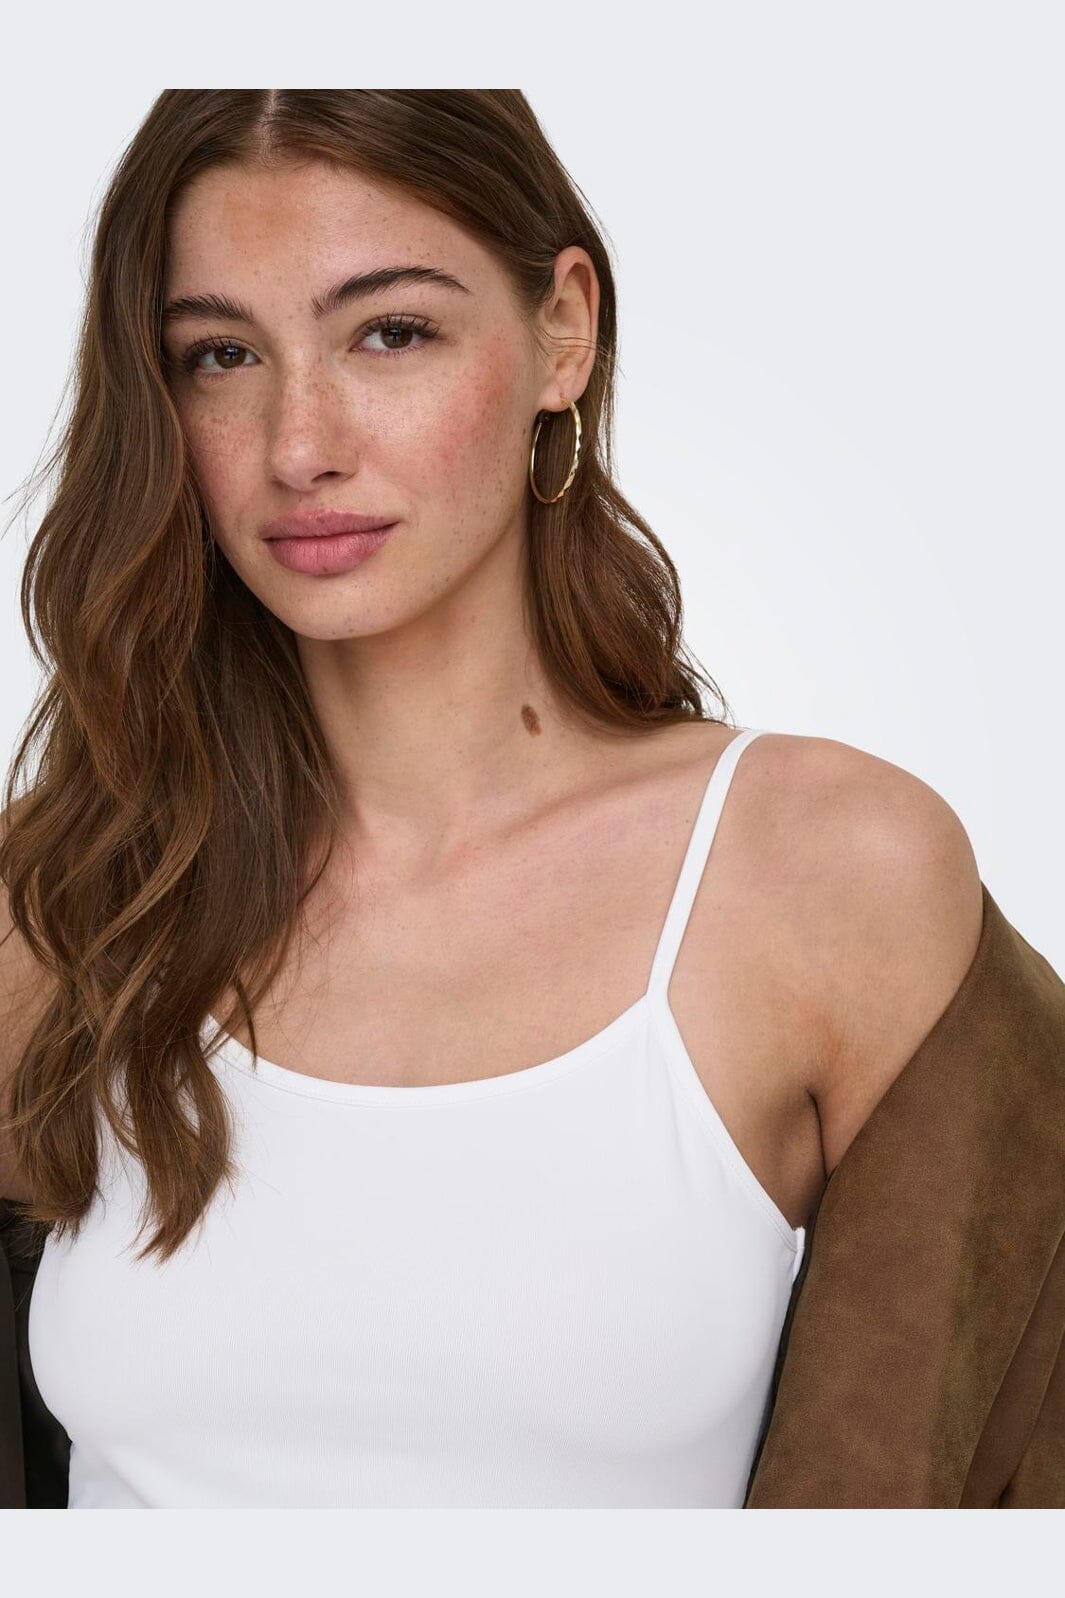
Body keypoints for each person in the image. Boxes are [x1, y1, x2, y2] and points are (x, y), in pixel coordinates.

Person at [0, 90, 985, 1508]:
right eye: (221, 355)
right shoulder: (75, 902)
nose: (297, 444)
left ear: (562, 332)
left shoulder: (819, 871)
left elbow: (981, 1460)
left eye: (390, 332)